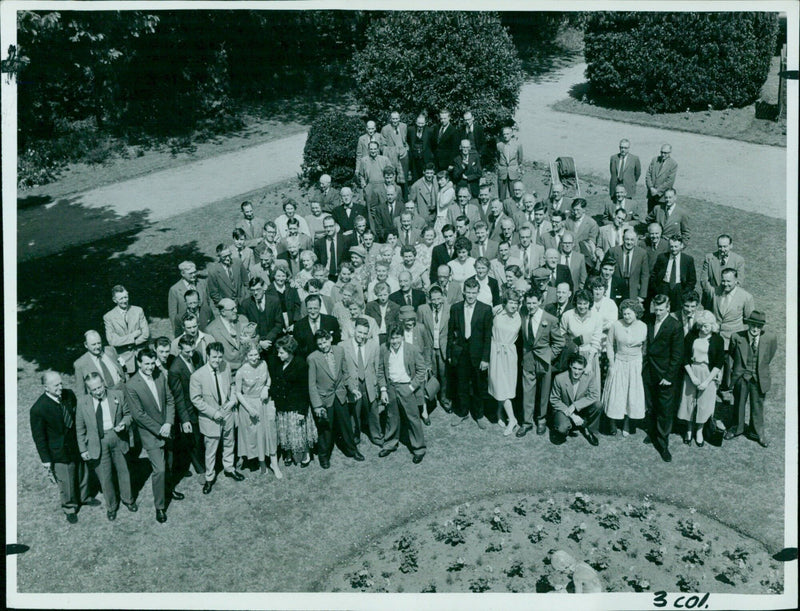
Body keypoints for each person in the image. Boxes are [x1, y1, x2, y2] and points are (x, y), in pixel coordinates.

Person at [30, 371, 95, 523]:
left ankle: (85, 497)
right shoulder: (38, 409)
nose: (60, 387)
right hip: (59, 451)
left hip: (76, 443)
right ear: (46, 387)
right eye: (56, 385)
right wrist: (46, 460)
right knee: (66, 481)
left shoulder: (69, 395)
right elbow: (39, 438)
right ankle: (70, 507)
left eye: (61, 383)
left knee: (82, 472)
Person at [126, 349, 179, 523]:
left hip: (167, 428)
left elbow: (170, 400)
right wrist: (160, 429)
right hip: (151, 435)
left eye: (152, 363)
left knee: (169, 465)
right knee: (160, 469)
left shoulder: (159, 376)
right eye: (146, 363)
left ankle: (168, 490)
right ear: (139, 363)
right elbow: (139, 415)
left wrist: (168, 423)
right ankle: (160, 506)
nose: (150, 367)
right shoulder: (132, 385)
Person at [76, 372, 135, 521]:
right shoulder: (82, 403)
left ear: (104, 383)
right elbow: (80, 428)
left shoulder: (117, 395)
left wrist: (124, 423)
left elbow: (128, 414)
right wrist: (83, 449)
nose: (98, 391)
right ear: (89, 390)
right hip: (98, 443)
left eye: (100, 387)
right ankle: (111, 507)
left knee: (124, 471)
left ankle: (128, 499)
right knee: (105, 476)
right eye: (94, 389)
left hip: (117, 437)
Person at [190, 342, 244, 495]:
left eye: (220, 357)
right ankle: (209, 478)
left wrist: (233, 400)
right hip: (211, 418)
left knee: (229, 443)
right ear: (208, 356)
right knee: (211, 450)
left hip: (227, 413)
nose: (218, 360)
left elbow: (233, 385)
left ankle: (229, 468)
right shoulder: (197, 376)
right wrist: (213, 413)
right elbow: (196, 399)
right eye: (214, 357)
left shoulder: (225, 367)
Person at [308, 329, 364, 468]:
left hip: (340, 395)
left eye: (325, 342)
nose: (323, 345)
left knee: (346, 425)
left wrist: (352, 389)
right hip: (325, 399)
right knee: (325, 429)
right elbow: (312, 385)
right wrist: (317, 406)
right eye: (319, 343)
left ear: (330, 339)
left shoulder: (339, 351)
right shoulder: (313, 358)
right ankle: (324, 456)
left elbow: (346, 374)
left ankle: (352, 450)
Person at [726, 311, 777, 447]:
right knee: (739, 403)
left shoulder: (770, 338)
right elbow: (732, 353)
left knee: (757, 406)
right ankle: (737, 428)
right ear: (748, 324)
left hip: (758, 378)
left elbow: (768, 356)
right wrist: (740, 372)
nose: (755, 329)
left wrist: (758, 370)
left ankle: (756, 432)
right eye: (753, 325)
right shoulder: (737, 337)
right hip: (742, 377)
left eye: (758, 327)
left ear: (762, 328)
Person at [377, 325, 428, 463]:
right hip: (391, 387)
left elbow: (421, 370)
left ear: (402, 337)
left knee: (412, 418)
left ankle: (419, 448)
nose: (394, 341)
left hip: (407, 387)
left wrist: (411, 388)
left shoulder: (412, 349)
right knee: (391, 417)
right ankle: (390, 444)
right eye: (392, 338)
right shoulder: (383, 348)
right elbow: (380, 371)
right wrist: (383, 390)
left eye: (397, 337)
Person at [517, 288, 564, 437]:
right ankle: (526, 422)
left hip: (544, 360)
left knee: (544, 392)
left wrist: (549, 356)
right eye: (528, 303)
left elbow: (559, 342)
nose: (531, 306)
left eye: (534, 303)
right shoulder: (523, 314)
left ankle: (542, 419)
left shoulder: (550, 319)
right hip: (529, 359)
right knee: (527, 392)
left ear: (540, 302)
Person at [643, 294, 684, 463]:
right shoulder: (650, 320)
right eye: (656, 309)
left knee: (665, 409)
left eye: (661, 309)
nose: (658, 312)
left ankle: (663, 442)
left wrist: (668, 376)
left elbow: (677, 355)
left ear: (668, 308)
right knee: (651, 404)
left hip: (665, 374)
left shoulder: (675, 326)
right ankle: (652, 432)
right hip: (649, 371)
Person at [448, 277, 493, 428]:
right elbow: (450, 332)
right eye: (468, 292)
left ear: (478, 292)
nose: (471, 296)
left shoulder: (485, 309)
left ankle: (479, 414)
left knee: (479, 385)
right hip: (461, 352)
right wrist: (450, 353)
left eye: (474, 293)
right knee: (461, 384)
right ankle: (462, 412)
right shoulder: (455, 308)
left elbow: (488, 337)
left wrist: (485, 358)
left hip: (478, 354)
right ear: (464, 292)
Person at [676, 310, 725, 447]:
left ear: (712, 326)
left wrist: (707, 381)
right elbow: (684, 357)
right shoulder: (691, 337)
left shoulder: (718, 340)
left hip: (708, 374)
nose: (703, 329)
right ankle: (689, 430)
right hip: (691, 372)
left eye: (706, 326)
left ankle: (699, 431)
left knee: (704, 404)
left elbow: (719, 363)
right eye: (701, 325)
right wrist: (692, 376)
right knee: (689, 402)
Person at [235, 343, 281, 478]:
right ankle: (262, 464)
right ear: (246, 356)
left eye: (256, 354)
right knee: (257, 436)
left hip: (265, 403)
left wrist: (266, 387)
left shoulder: (264, 364)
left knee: (270, 433)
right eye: (251, 355)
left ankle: (274, 464)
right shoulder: (241, 371)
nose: (254, 358)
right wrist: (249, 409)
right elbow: (238, 393)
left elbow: (268, 379)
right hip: (249, 405)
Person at [602, 299, 647, 437]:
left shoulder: (643, 326)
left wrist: (640, 362)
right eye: (624, 313)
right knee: (617, 393)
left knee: (631, 394)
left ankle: (627, 422)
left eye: (629, 314)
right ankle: (613, 422)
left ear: (636, 313)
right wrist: (611, 362)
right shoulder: (616, 325)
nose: (626, 316)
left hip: (635, 363)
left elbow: (645, 346)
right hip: (619, 361)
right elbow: (609, 344)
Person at [270, 336, 317, 467]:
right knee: (287, 433)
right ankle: (289, 453)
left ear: (290, 351)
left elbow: (304, 390)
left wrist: (302, 411)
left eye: (281, 352)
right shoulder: (278, 363)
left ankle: (306, 454)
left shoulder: (300, 364)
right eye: (278, 352)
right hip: (282, 406)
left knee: (300, 433)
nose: (278, 355)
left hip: (296, 406)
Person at [168, 335, 205, 477]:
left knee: (202, 437)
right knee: (194, 441)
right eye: (187, 352)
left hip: (201, 404)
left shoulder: (197, 356)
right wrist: (185, 420)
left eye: (192, 351)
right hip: (189, 410)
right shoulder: (175, 369)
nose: (191, 355)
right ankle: (200, 469)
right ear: (179, 349)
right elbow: (178, 397)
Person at [488, 289, 522, 436]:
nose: (514, 305)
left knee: (505, 387)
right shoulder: (497, 311)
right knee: (497, 384)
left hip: (509, 354)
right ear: (505, 302)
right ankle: (499, 412)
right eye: (511, 302)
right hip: (495, 350)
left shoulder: (519, 317)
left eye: (516, 303)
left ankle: (512, 419)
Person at [343, 317, 382, 446]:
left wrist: (376, 384)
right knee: (355, 410)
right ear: (354, 330)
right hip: (353, 383)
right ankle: (355, 434)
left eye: (365, 333)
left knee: (373, 409)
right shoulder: (343, 346)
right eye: (359, 332)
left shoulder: (373, 345)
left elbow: (377, 366)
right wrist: (348, 386)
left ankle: (376, 435)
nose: (362, 336)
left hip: (369, 382)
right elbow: (343, 370)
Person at [550, 354, 601, 445]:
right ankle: (568, 426)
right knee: (562, 428)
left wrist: (575, 405)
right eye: (574, 368)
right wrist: (572, 416)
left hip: (581, 409)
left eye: (580, 369)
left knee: (598, 405)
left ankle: (589, 430)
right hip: (564, 410)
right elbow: (554, 399)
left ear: (584, 369)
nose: (577, 372)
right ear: (570, 366)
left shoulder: (589, 377)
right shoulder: (559, 378)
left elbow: (594, 395)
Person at [417, 284, 452, 413]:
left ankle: (443, 398)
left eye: (439, 299)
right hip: (429, 349)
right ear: (429, 299)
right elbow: (419, 331)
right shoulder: (422, 309)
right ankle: (430, 400)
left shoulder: (450, 309)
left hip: (443, 348)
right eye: (433, 299)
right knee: (431, 375)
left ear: (443, 297)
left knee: (444, 375)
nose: (436, 302)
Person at [103, 285, 150, 374]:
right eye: (121, 299)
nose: (125, 301)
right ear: (114, 300)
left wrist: (130, 343)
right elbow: (112, 341)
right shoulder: (108, 317)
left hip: (142, 356)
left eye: (126, 297)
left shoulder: (138, 311)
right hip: (124, 359)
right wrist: (132, 336)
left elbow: (145, 334)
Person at [650, 235, 697, 312]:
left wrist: (685, 293)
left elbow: (692, 280)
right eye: (671, 246)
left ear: (681, 246)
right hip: (664, 287)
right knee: (662, 310)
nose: (673, 249)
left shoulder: (688, 260)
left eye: (676, 246)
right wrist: (657, 290)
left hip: (679, 288)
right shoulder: (662, 257)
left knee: (678, 312)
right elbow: (654, 275)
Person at [239, 277, 283, 356]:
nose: (255, 293)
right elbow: (245, 329)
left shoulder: (274, 301)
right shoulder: (246, 304)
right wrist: (259, 342)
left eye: (258, 289)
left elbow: (279, 324)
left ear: (264, 288)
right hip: (254, 347)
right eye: (252, 290)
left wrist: (268, 340)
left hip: (272, 343)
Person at [168, 261, 214, 335]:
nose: (194, 275)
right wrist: (178, 334)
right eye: (190, 273)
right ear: (183, 274)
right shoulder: (175, 290)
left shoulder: (202, 283)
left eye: (194, 272)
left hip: (204, 327)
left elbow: (207, 303)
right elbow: (173, 314)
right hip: (187, 330)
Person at [74, 329, 126, 395]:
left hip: (122, 389)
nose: (98, 346)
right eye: (93, 344)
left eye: (99, 343)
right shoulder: (80, 364)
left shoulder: (110, 350)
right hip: (103, 396)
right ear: (86, 345)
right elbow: (80, 392)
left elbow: (122, 368)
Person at [206, 298, 251, 371]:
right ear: (223, 312)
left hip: (247, 367)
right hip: (227, 372)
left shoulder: (243, 320)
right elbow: (213, 357)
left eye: (236, 308)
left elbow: (254, 341)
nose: (236, 311)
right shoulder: (211, 330)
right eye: (232, 309)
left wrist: (249, 342)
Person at [701, 234, 746, 306]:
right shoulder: (709, 258)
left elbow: (739, 282)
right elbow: (704, 280)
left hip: (730, 301)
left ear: (731, 245)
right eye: (720, 246)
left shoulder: (739, 260)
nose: (722, 249)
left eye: (725, 246)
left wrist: (727, 295)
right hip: (711, 299)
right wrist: (713, 293)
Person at [293, 294, 341, 358]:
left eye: (315, 308)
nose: (313, 311)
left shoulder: (331, 321)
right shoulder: (298, 326)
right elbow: (298, 350)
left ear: (320, 307)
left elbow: (336, 342)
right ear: (306, 308)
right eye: (310, 308)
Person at [610, 228, 649, 305]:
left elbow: (645, 275)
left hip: (633, 290)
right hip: (616, 289)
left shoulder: (642, 253)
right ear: (623, 239)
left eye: (632, 240)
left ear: (636, 240)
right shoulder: (613, 251)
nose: (629, 242)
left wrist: (642, 295)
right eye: (627, 239)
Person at [314, 214, 352, 281]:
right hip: (326, 277)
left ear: (336, 226)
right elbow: (318, 262)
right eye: (326, 227)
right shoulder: (319, 243)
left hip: (341, 276)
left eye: (331, 226)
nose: (328, 229)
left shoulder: (345, 240)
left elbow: (348, 259)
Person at [381, 111, 409, 198]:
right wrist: (391, 152)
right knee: (393, 177)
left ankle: (404, 198)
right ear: (390, 119)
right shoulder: (385, 129)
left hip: (403, 155)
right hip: (391, 156)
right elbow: (383, 145)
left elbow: (406, 141)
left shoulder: (404, 126)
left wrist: (406, 149)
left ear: (399, 118)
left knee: (404, 178)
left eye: (396, 118)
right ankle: (393, 197)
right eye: (393, 119)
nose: (395, 121)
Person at [265, 265, 302, 331]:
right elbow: (269, 312)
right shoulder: (269, 291)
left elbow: (297, 305)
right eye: (278, 276)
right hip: (277, 322)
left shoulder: (291, 288)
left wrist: (295, 323)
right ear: (274, 276)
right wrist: (278, 327)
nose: (281, 279)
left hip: (291, 320)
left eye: (283, 276)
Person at [566, 198, 600, 269]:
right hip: (569, 254)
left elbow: (592, 242)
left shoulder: (592, 223)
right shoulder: (568, 221)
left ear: (584, 209)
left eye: (578, 210)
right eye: (574, 210)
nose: (575, 212)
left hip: (584, 257)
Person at [645, 143, 678, 213]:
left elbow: (669, 182)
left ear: (670, 153)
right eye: (662, 152)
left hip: (662, 197)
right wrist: (651, 188)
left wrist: (657, 191)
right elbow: (648, 174)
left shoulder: (673, 164)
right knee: (650, 214)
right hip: (651, 195)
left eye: (665, 153)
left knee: (659, 216)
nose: (663, 155)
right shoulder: (655, 160)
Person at [495, 126, 524, 201]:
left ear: (511, 134)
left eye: (507, 134)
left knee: (514, 194)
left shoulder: (517, 145)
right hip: (502, 172)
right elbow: (498, 158)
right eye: (504, 134)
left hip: (513, 172)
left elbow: (520, 159)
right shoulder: (499, 145)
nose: (505, 136)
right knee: (501, 196)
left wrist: (515, 167)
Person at [408, 115, 436, 182]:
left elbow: (433, 145)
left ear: (425, 123)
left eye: (422, 123)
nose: (420, 125)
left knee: (426, 177)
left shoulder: (430, 131)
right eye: (419, 123)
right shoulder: (410, 130)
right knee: (415, 178)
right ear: (416, 122)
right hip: (414, 159)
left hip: (425, 159)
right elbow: (408, 142)